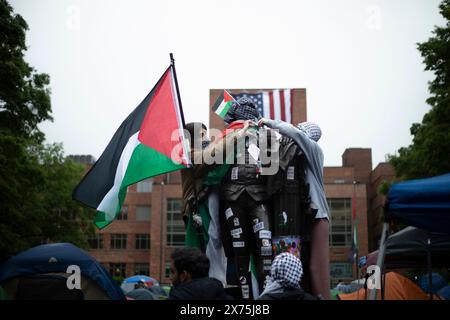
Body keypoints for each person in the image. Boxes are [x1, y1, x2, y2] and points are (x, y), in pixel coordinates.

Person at [258, 118, 330, 299]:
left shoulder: (313, 150)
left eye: (300, 130)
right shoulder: (300, 158)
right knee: (305, 264)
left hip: (318, 215)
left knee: (316, 266)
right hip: (304, 215)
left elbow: (295, 134)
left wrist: (268, 122)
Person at [220, 97, 275, 299]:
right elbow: (215, 168)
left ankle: (266, 296)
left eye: (251, 108)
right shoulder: (227, 136)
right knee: (239, 248)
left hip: (258, 196)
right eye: (244, 109)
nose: (248, 113)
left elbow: (274, 167)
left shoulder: (266, 136)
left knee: (265, 245)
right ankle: (245, 298)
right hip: (232, 197)